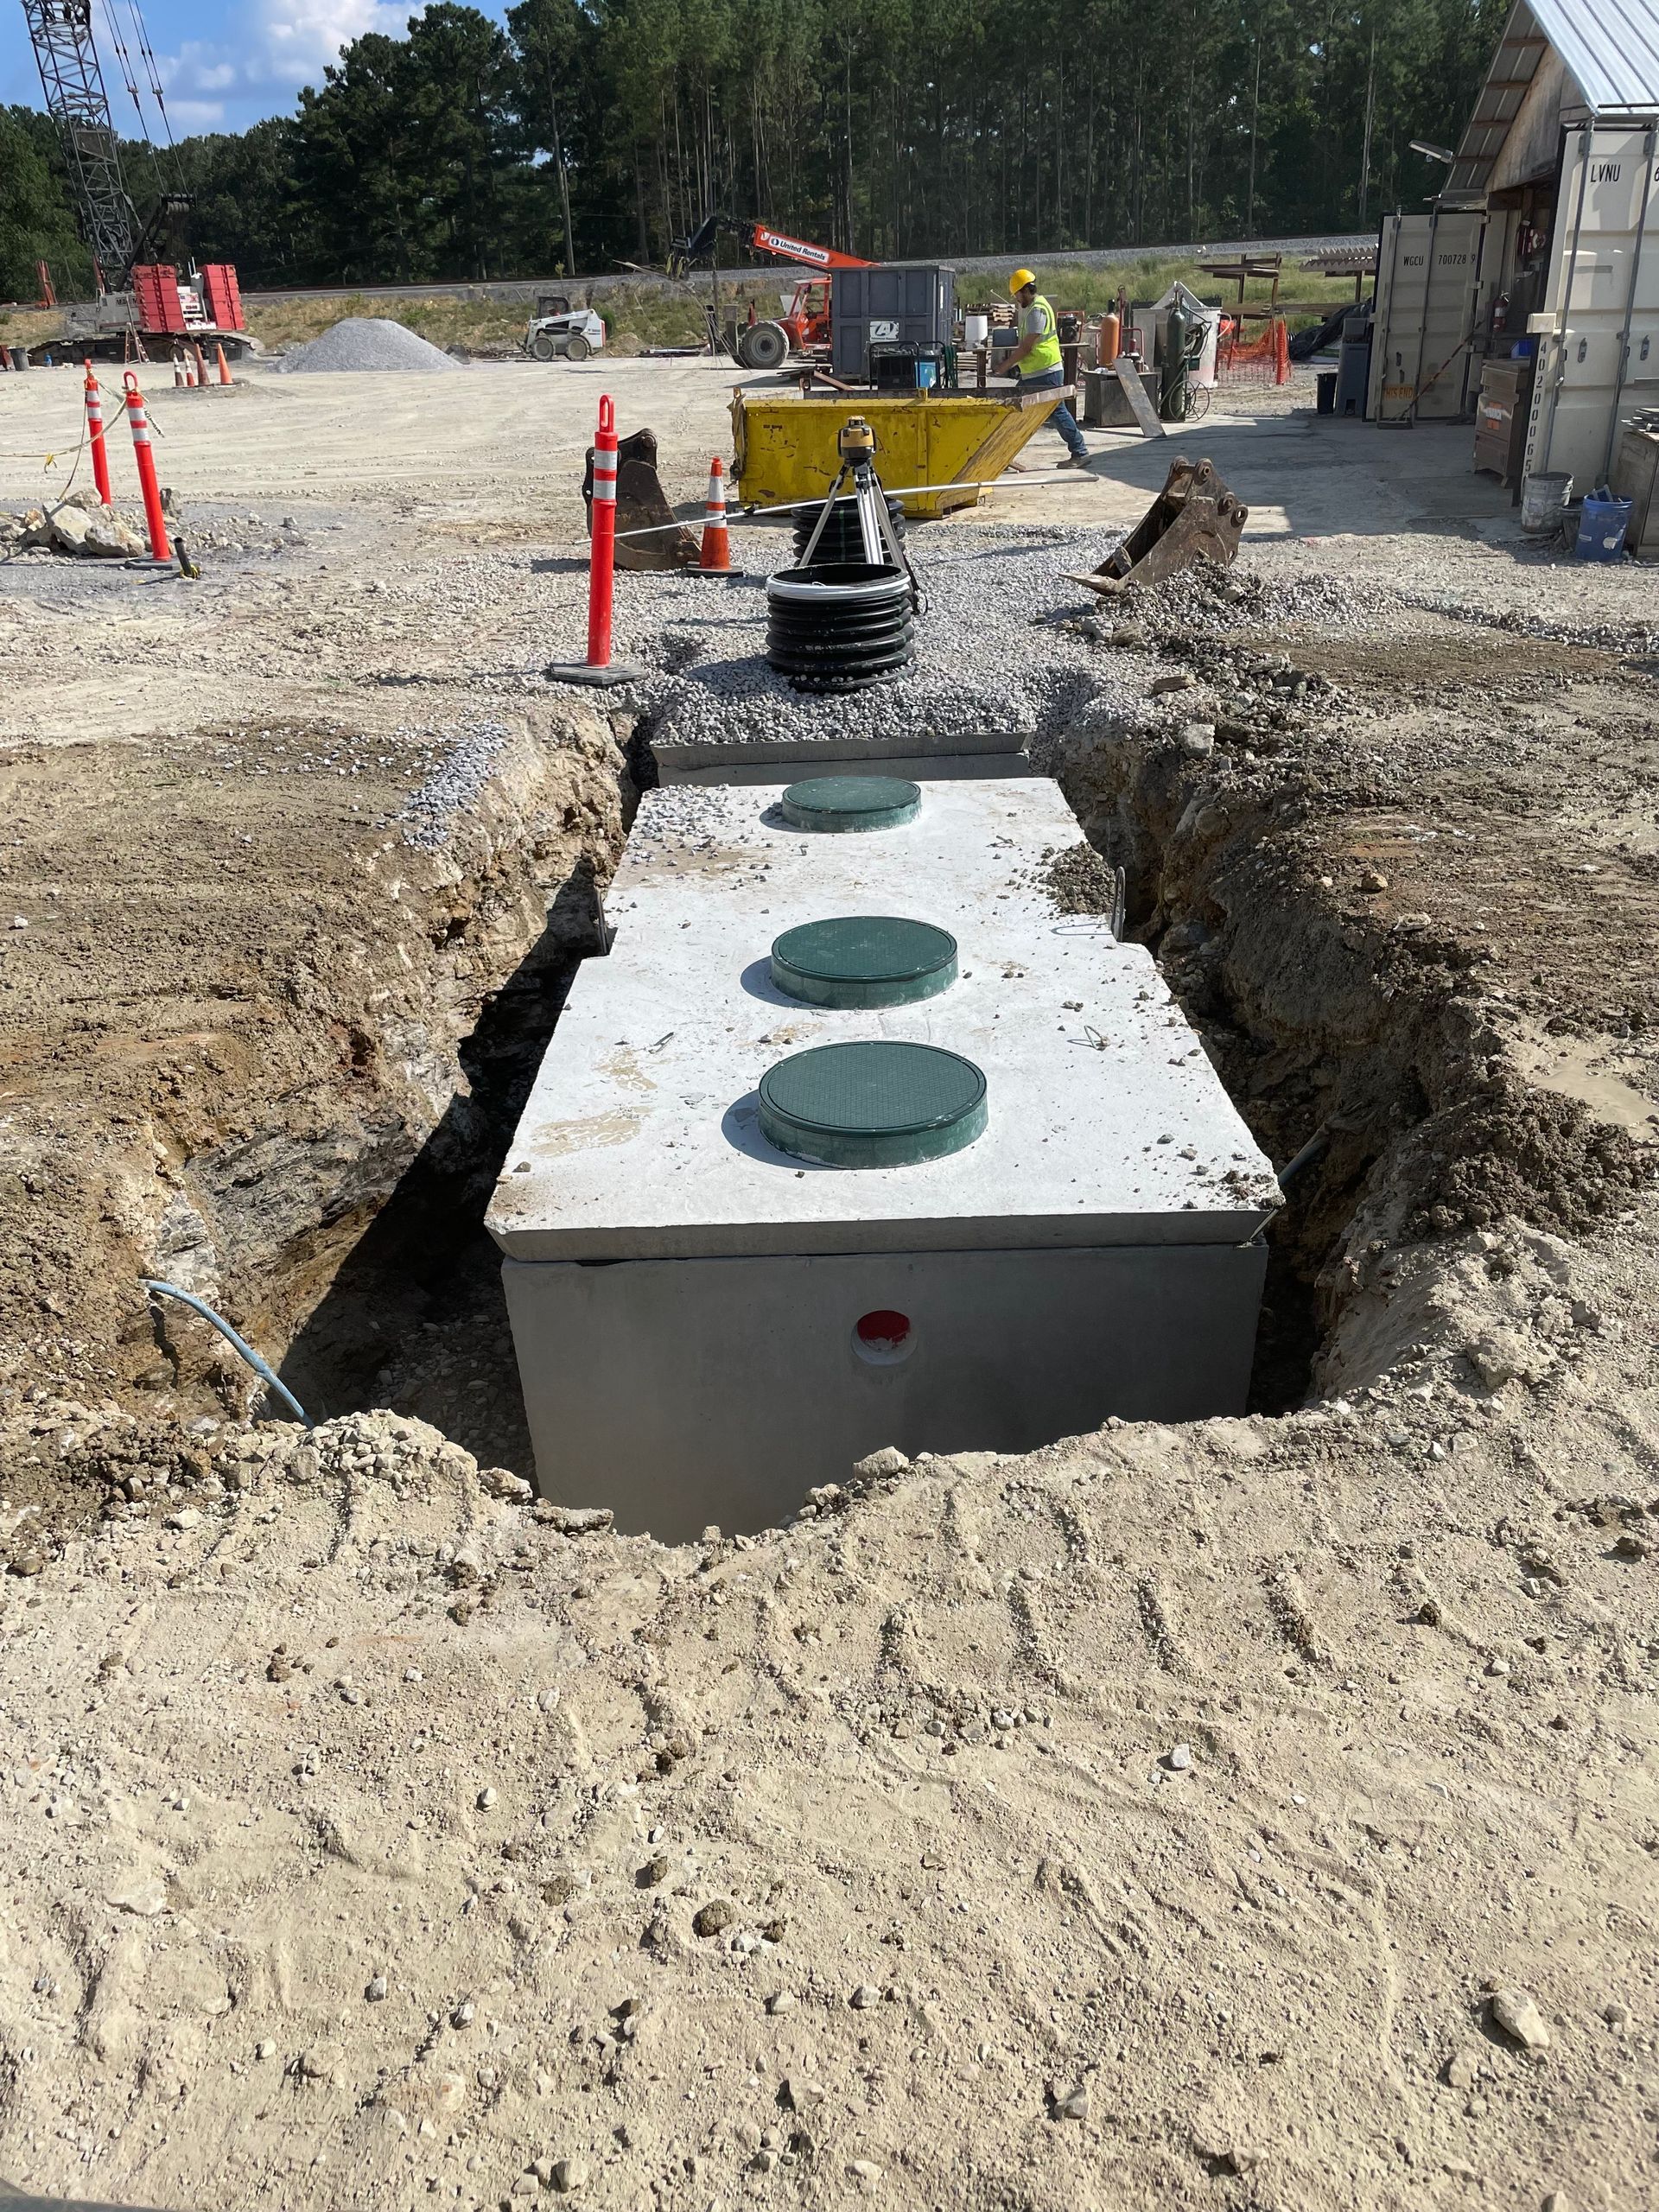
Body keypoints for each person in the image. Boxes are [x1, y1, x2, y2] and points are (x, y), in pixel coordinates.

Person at [1004, 269, 1093, 472]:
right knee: (1016, 410)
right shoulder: (1033, 308)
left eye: (1017, 294)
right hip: (1037, 371)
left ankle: (1079, 452)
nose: (1017, 299)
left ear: (1026, 290)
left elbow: (1027, 346)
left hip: (1045, 371)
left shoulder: (1037, 310)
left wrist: (1005, 365)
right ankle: (1005, 454)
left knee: (1036, 410)